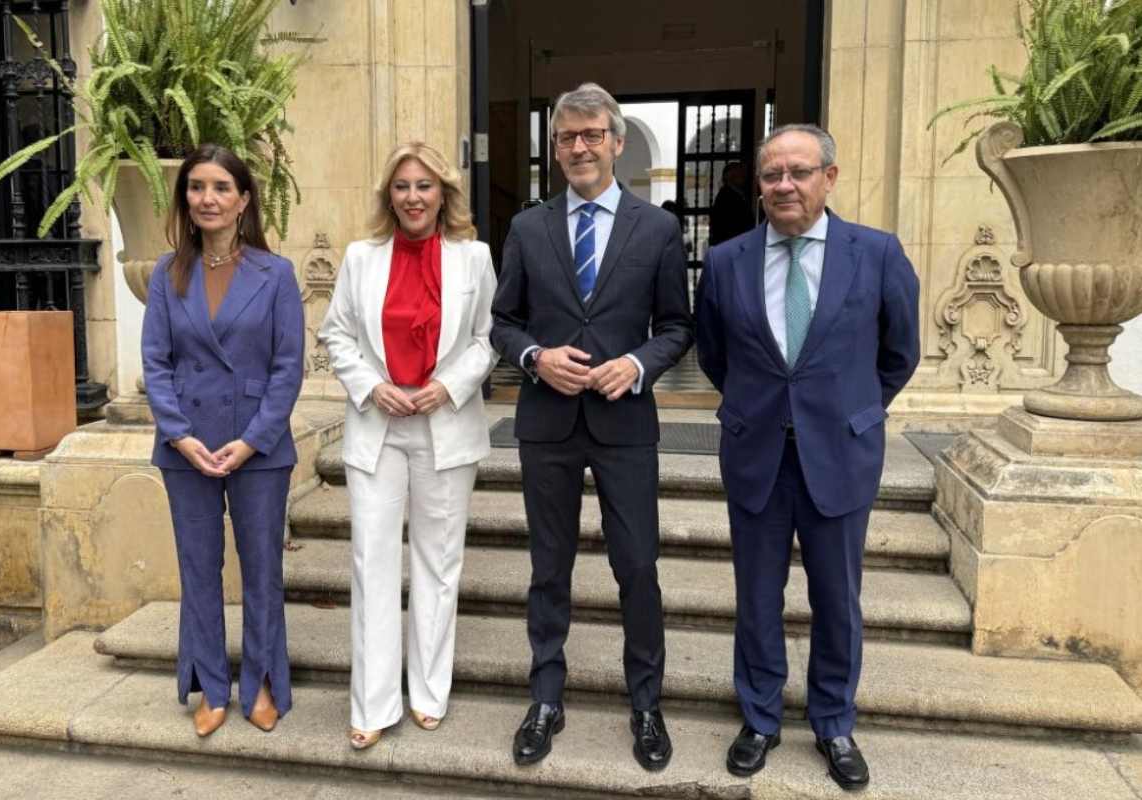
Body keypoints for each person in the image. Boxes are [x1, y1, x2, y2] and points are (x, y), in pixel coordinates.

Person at [694, 124, 920, 792]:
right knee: (757, 597)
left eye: (798, 172)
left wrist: (851, 410)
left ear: (829, 176)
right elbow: (714, 355)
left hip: (840, 454)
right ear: (758, 185)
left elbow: (899, 353)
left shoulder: (876, 253)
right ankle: (759, 717)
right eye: (771, 175)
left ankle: (833, 721)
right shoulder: (726, 261)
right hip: (756, 452)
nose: (784, 185)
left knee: (837, 598)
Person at [490, 82, 694, 772]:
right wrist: (534, 358)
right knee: (549, 567)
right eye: (566, 138)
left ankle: (646, 703)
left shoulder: (657, 229)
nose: (579, 147)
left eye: (591, 135)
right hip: (546, 424)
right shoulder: (528, 228)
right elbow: (503, 322)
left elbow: (677, 327)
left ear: (616, 142)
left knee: (636, 566)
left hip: (624, 423)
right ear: (555, 150)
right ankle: (545, 697)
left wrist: (636, 365)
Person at [319, 142, 499, 750]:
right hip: (379, 426)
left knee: (438, 564)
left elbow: (488, 338)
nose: (413, 197)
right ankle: (372, 704)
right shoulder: (361, 257)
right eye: (402, 186)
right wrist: (372, 387)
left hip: (445, 425)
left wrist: (450, 386)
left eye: (424, 185)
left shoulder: (474, 257)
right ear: (388, 196)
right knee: (372, 562)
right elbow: (337, 334)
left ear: (443, 193)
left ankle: (428, 692)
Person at [141, 143, 305, 738]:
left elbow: (288, 367)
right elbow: (155, 363)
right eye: (196, 187)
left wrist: (253, 440)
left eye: (220, 188)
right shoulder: (167, 273)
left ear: (243, 200)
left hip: (258, 445)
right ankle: (210, 686)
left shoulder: (276, 273)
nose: (207, 198)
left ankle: (261, 682)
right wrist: (179, 436)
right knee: (198, 569)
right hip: (186, 446)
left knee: (262, 570)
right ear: (185, 197)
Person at [708, 161, 754, 247]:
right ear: (732, 177)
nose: (744, 177)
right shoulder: (726, 196)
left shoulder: (735, 194)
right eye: (740, 174)